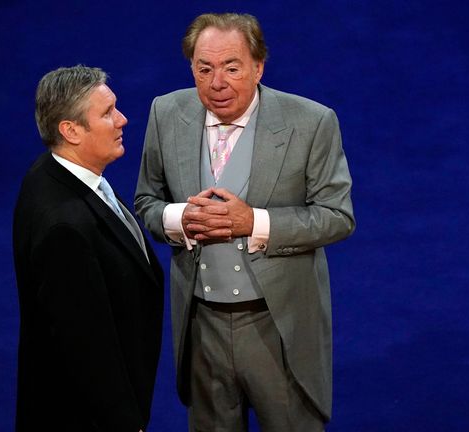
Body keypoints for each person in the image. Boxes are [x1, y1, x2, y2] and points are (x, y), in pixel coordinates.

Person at [135, 13, 355, 432]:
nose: (217, 83)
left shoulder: (311, 122)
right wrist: (180, 217)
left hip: (277, 326)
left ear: (258, 66)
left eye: (232, 67)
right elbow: (146, 200)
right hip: (201, 326)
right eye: (205, 69)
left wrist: (252, 221)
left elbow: (337, 216)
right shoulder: (166, 112)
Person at [13, 65, 164, 432]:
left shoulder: (53, 173)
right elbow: (86, 348)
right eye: (108, 112)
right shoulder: (64, 226)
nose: (123, 119)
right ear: (71, 130)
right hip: (86, 418)